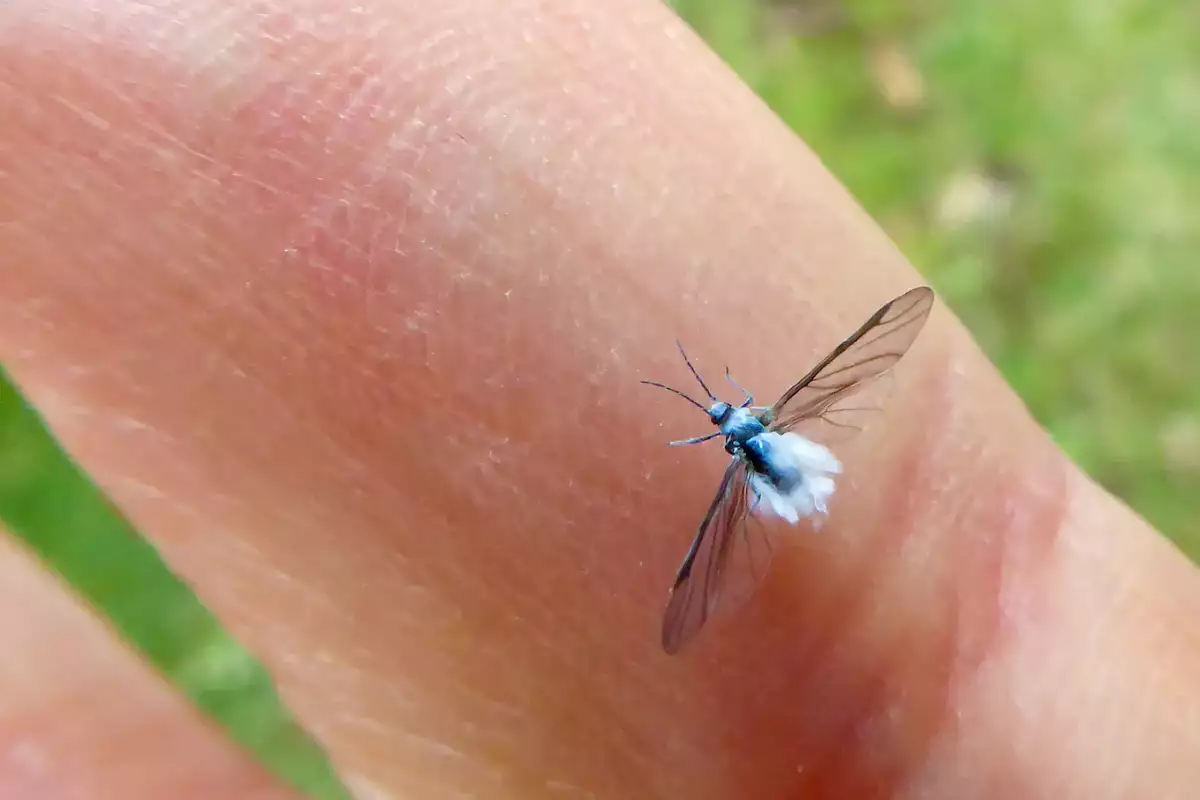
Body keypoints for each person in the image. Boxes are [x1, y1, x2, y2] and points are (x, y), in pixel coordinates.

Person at [1, 1, 1197, 797]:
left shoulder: (747, 448)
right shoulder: (749, 445)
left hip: (787, 485)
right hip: (786, 483)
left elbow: (857, 360)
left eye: (726, 413)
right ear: (736, 426)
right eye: (725, 416)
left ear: (736, 422)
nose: (726, 413)